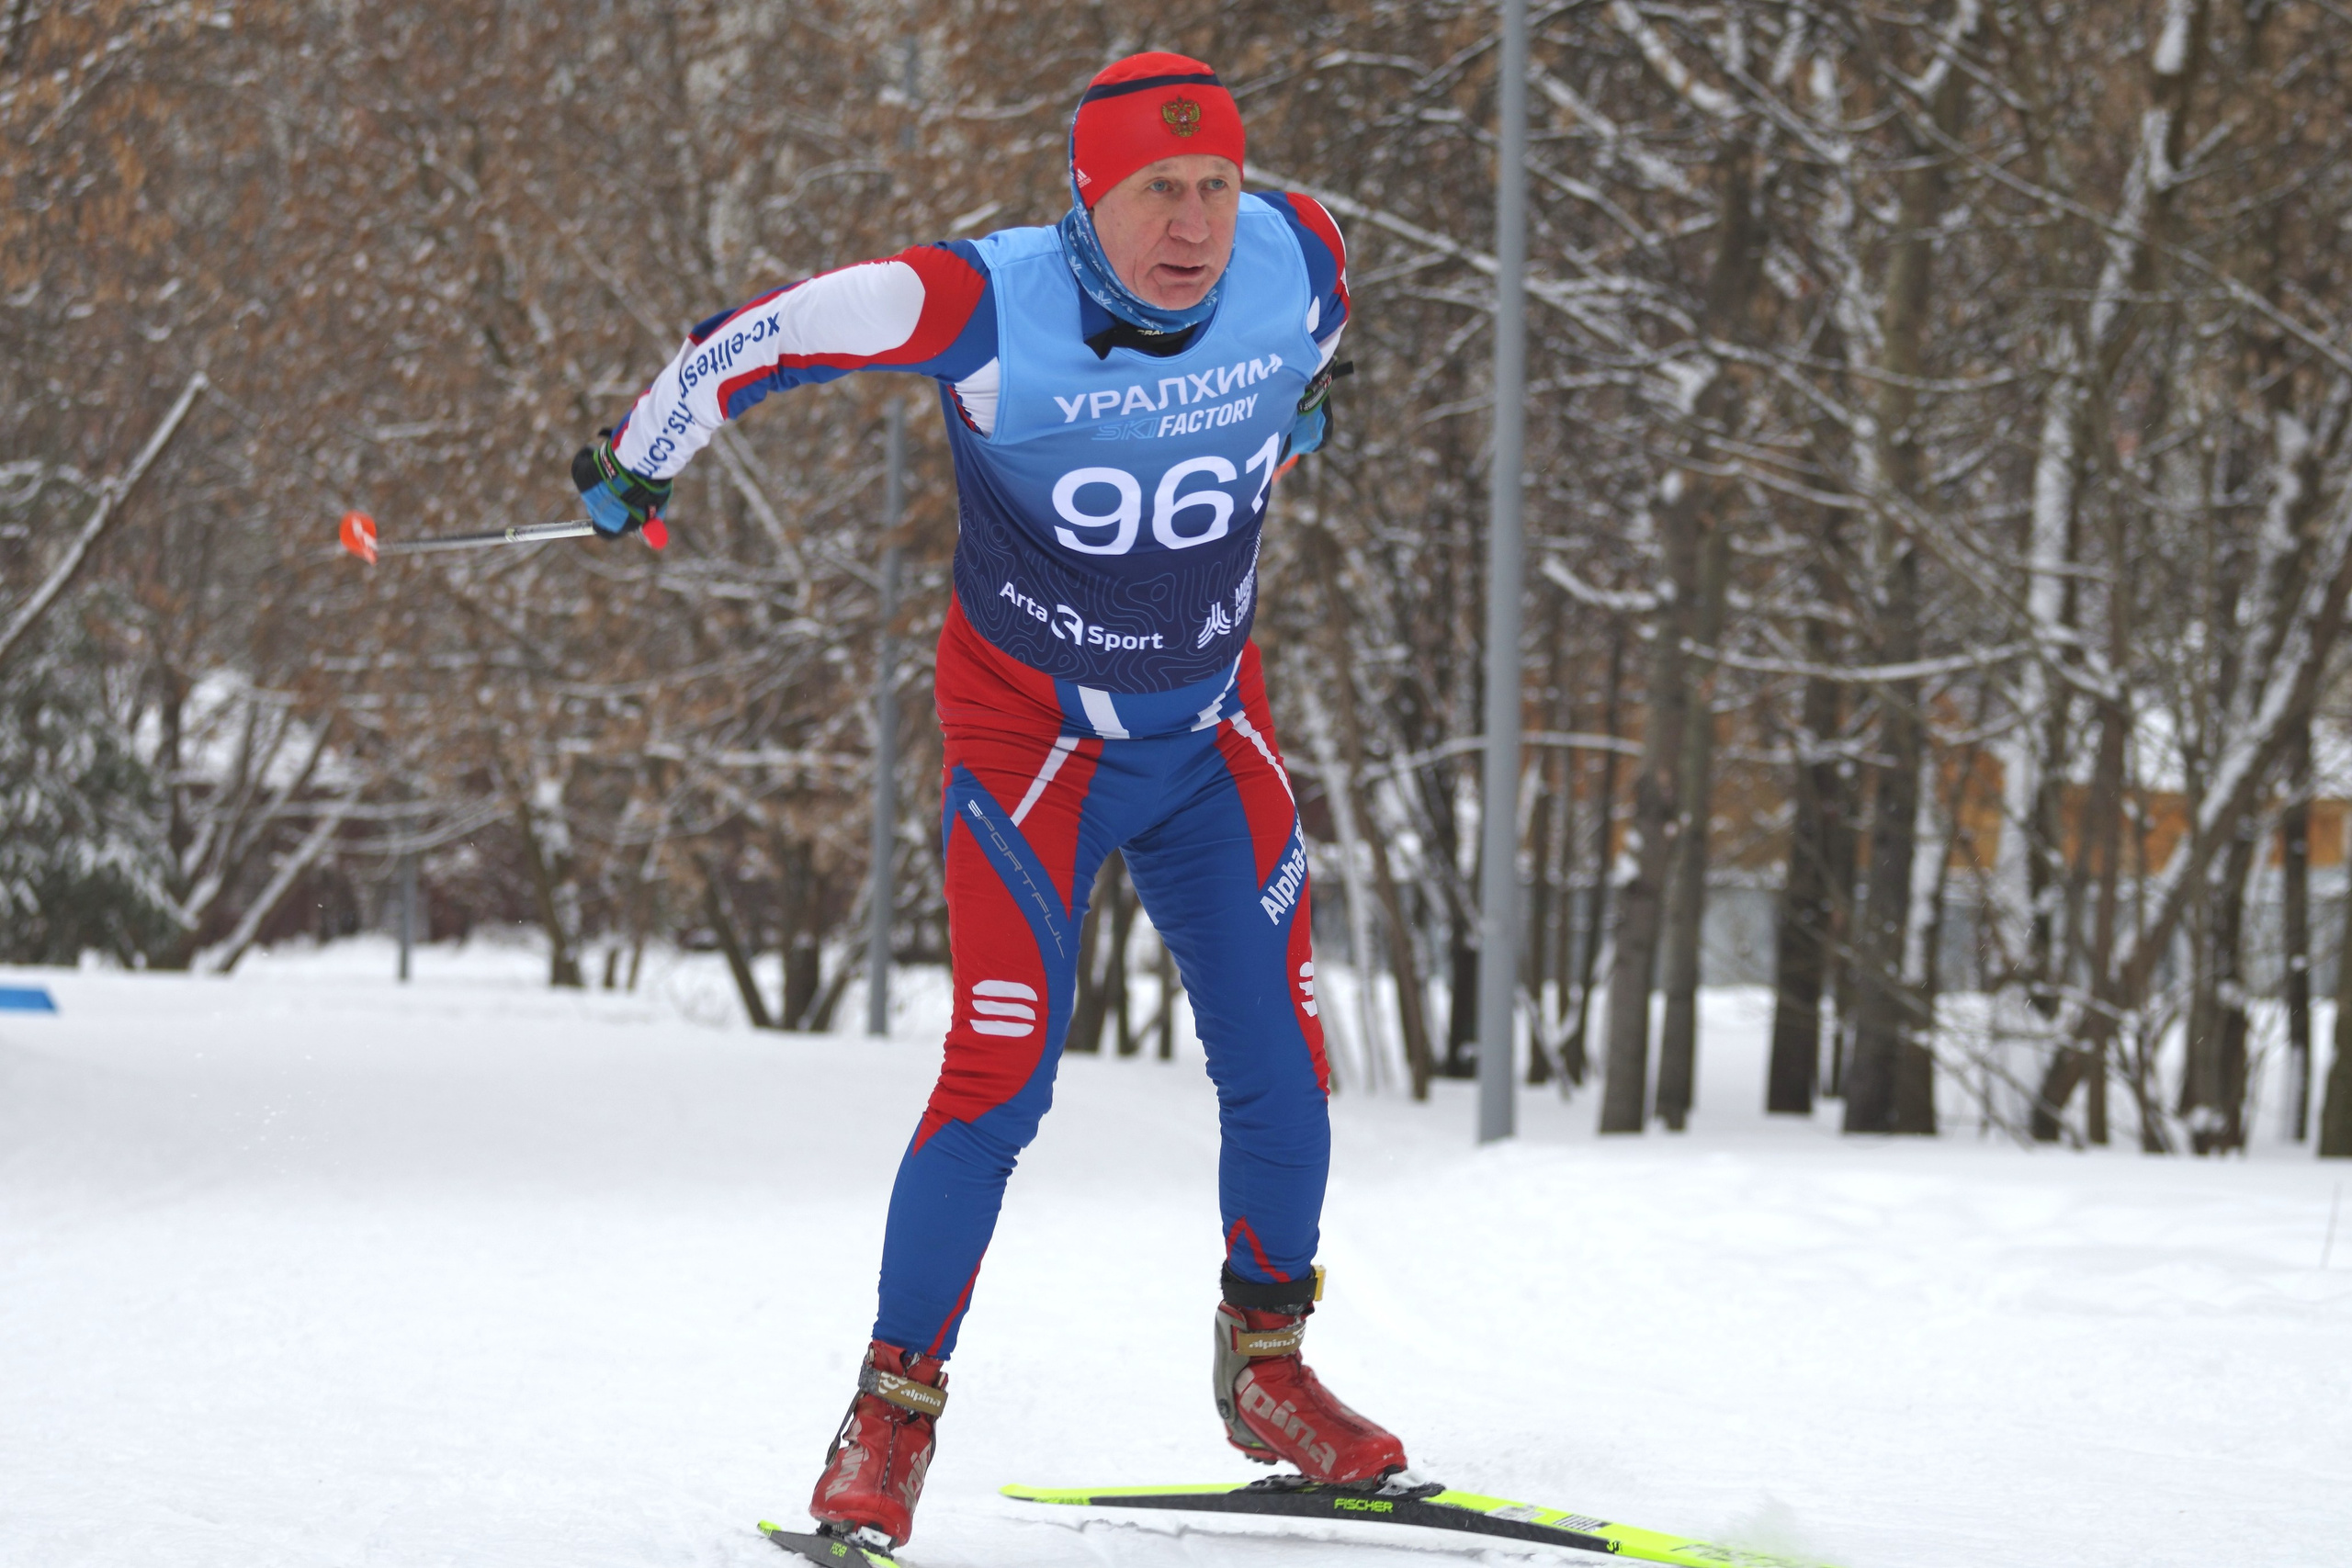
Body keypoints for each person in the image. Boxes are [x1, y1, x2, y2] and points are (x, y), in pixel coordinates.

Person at [572, 51, 1406, 1552]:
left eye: (1216, 184)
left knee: (1281, 1060)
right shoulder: (981, 303)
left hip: (1211, 734)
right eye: (1160, 189)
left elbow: (1320, 349)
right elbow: (768, 338)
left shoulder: (1305, 256)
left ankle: (1268, 1372)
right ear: (1088, 197)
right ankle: (889, 1417)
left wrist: (1302, 415)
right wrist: (641, 461)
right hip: (1036, 748)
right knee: (1001, 1072)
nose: (1197, 223)